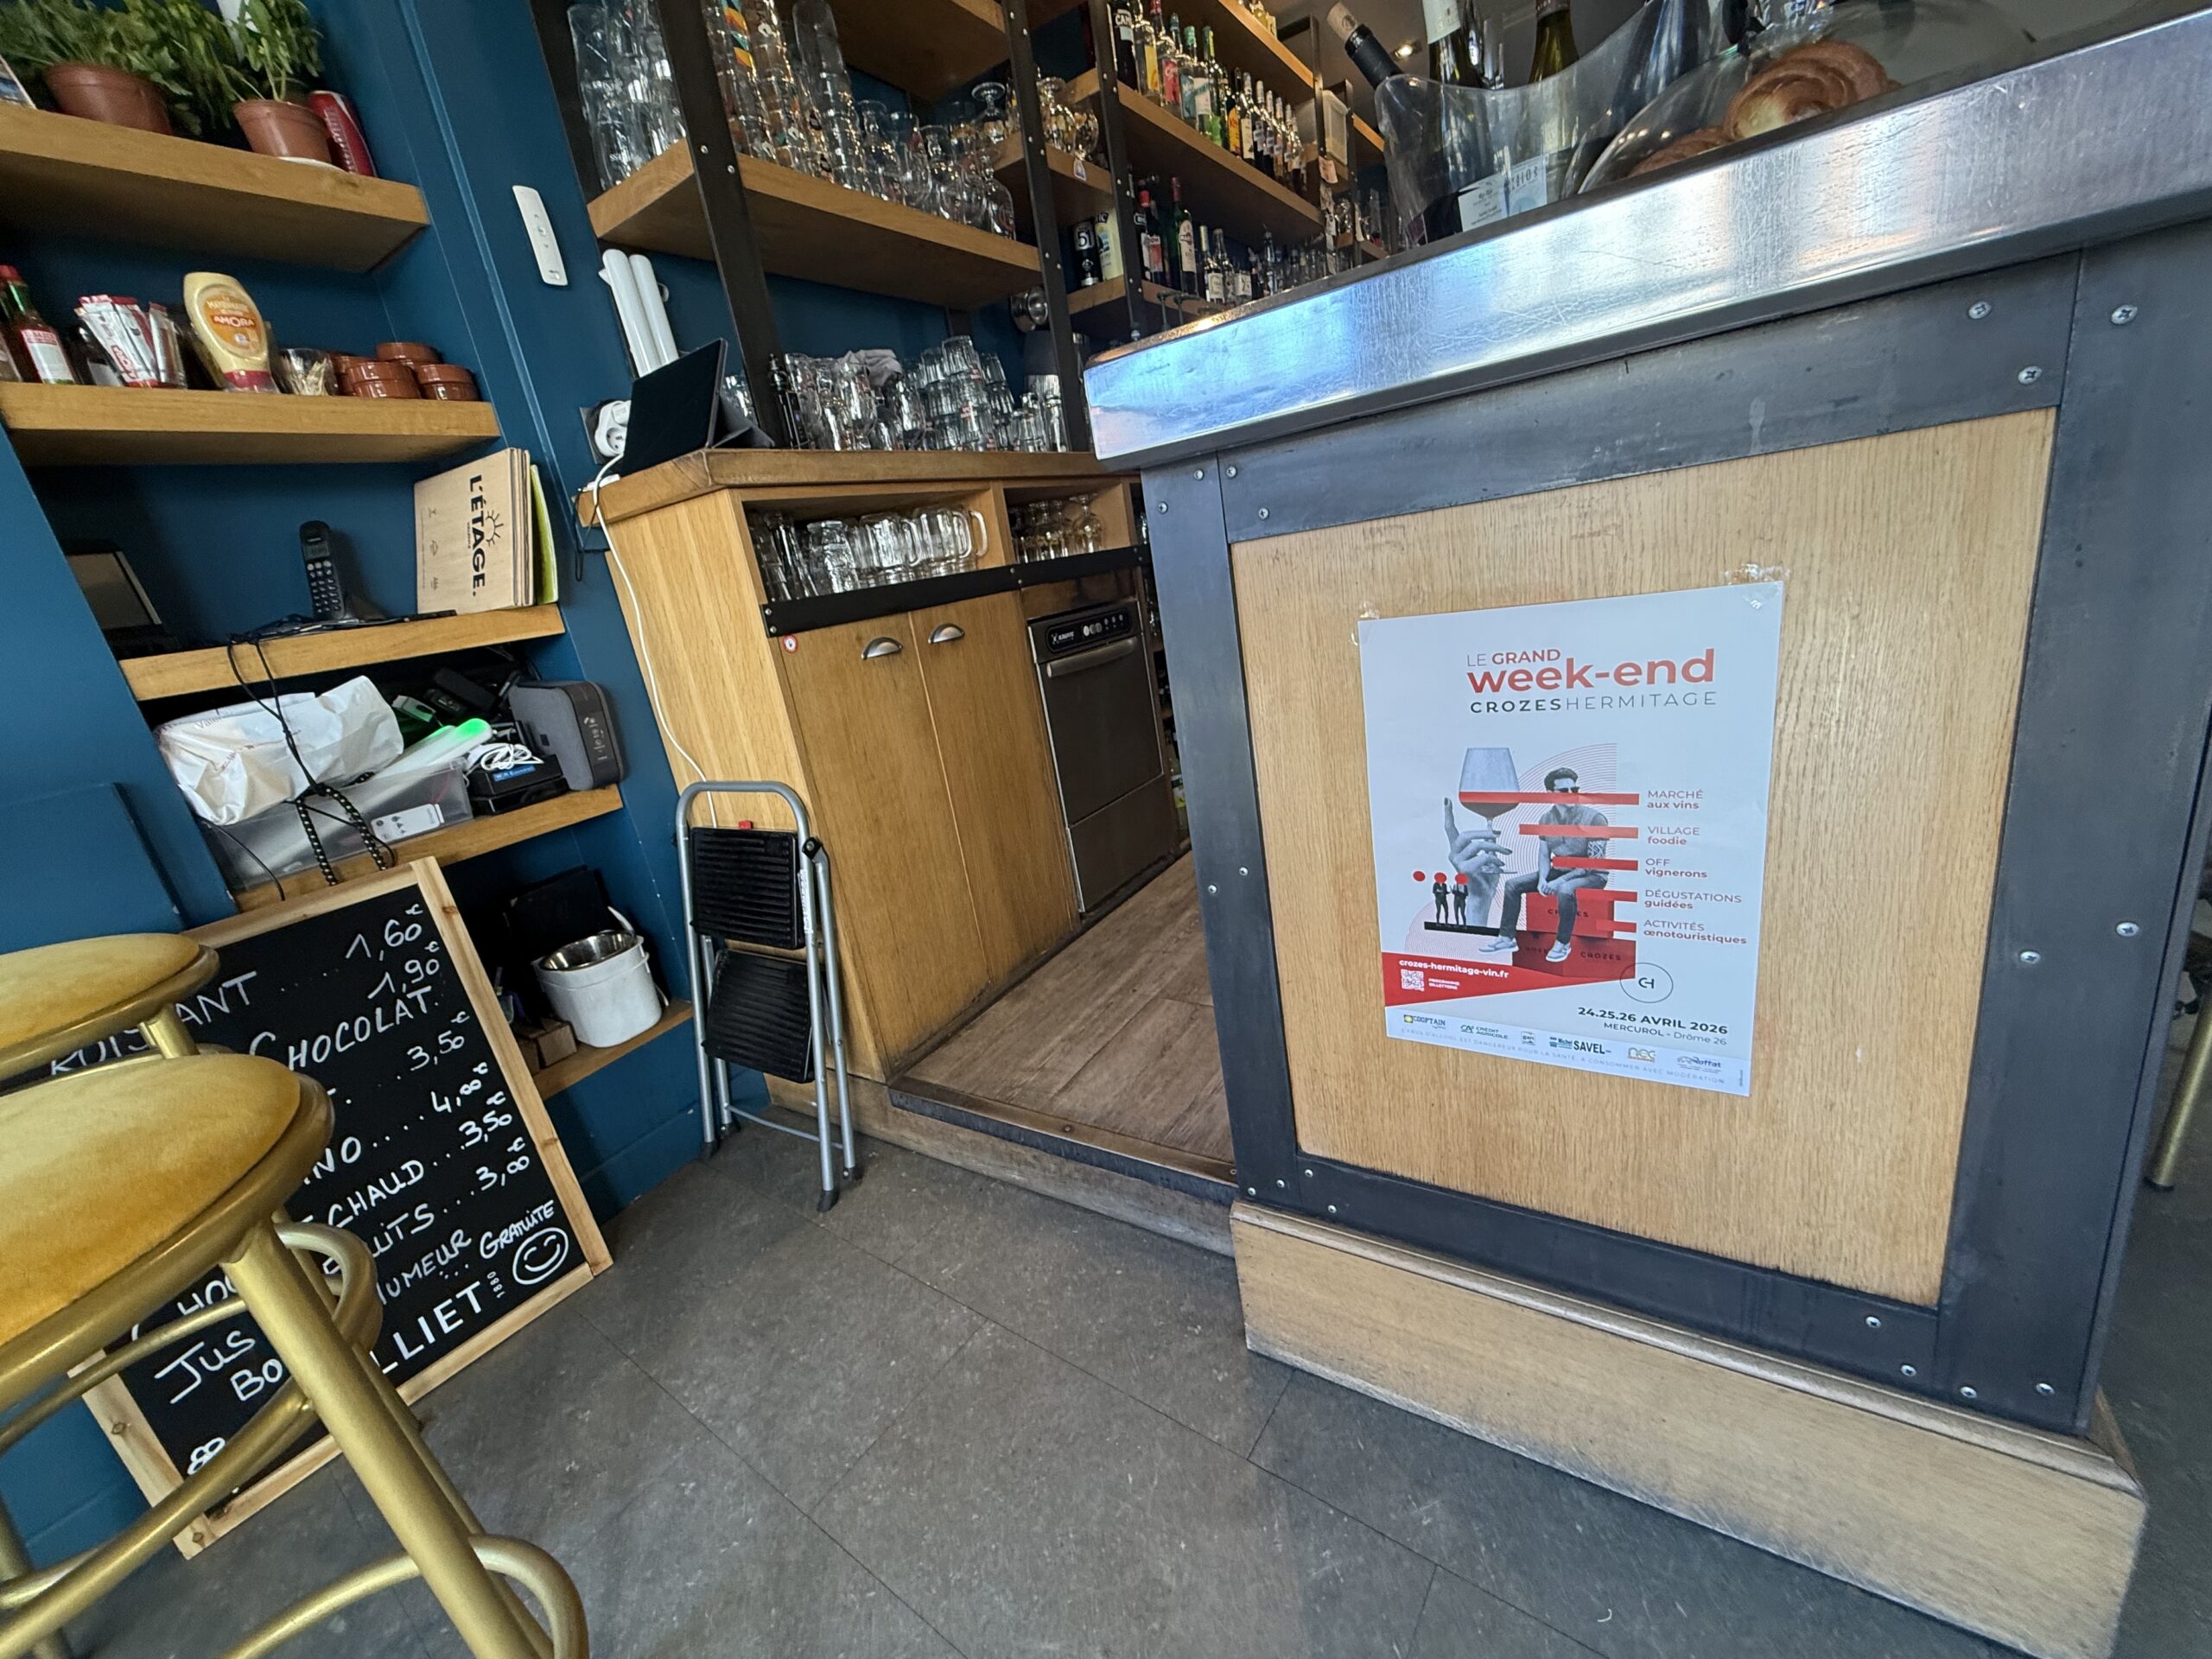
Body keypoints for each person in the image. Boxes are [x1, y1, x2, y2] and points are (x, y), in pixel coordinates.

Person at [1485, 766, 1610, 963]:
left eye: (1574, 790)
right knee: (1512, 885)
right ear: (1551, 794)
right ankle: (1507, 938)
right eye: (1564, 791)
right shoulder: (1546, 819)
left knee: (1565, 889)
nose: (1571, 794)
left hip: (1592, 875)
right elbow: (1544, 854)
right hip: (1559, 870)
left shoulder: (1595, 819)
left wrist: (1559, 881)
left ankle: (1562, 943)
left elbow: (1593, 863)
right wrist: (1542, 879)